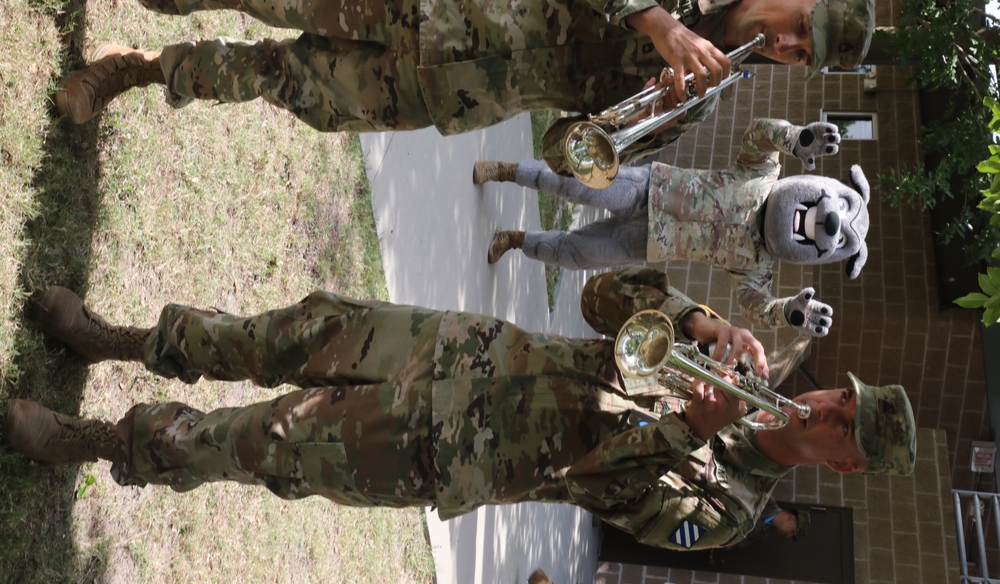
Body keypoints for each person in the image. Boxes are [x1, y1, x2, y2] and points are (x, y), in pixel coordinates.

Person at [6, 267, 915, 551]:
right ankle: (117, 339)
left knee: (258, 441)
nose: (826, 402)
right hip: (460, 348)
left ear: (841, 463)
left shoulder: (730, 512)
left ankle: (93, 439)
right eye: (842, 393)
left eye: (843, 421)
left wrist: (693, 429)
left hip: (442, 447)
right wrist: (696, 316)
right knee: (282, 332)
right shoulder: (736, 355)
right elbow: (602, 299)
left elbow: (601, 484)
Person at [33, 0, 875, 170]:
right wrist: (652, 20)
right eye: (804, 27)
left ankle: (136, 72)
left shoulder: (710, 92)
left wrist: (641, 122)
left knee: (277, 79)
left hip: (452, 95)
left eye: (807, 55)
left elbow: (564, 146)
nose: (792, 46)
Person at [479, 117, 871, 337]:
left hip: (646, 243)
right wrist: (795, 138)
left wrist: (788, 312)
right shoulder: (763, 174)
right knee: (572, 183)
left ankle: (514, 240)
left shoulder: (757, 265)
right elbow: (757, 135)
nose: (827, 221)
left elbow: (755, 307)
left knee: (575, 254)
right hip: (648, 190)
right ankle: (506, 171)